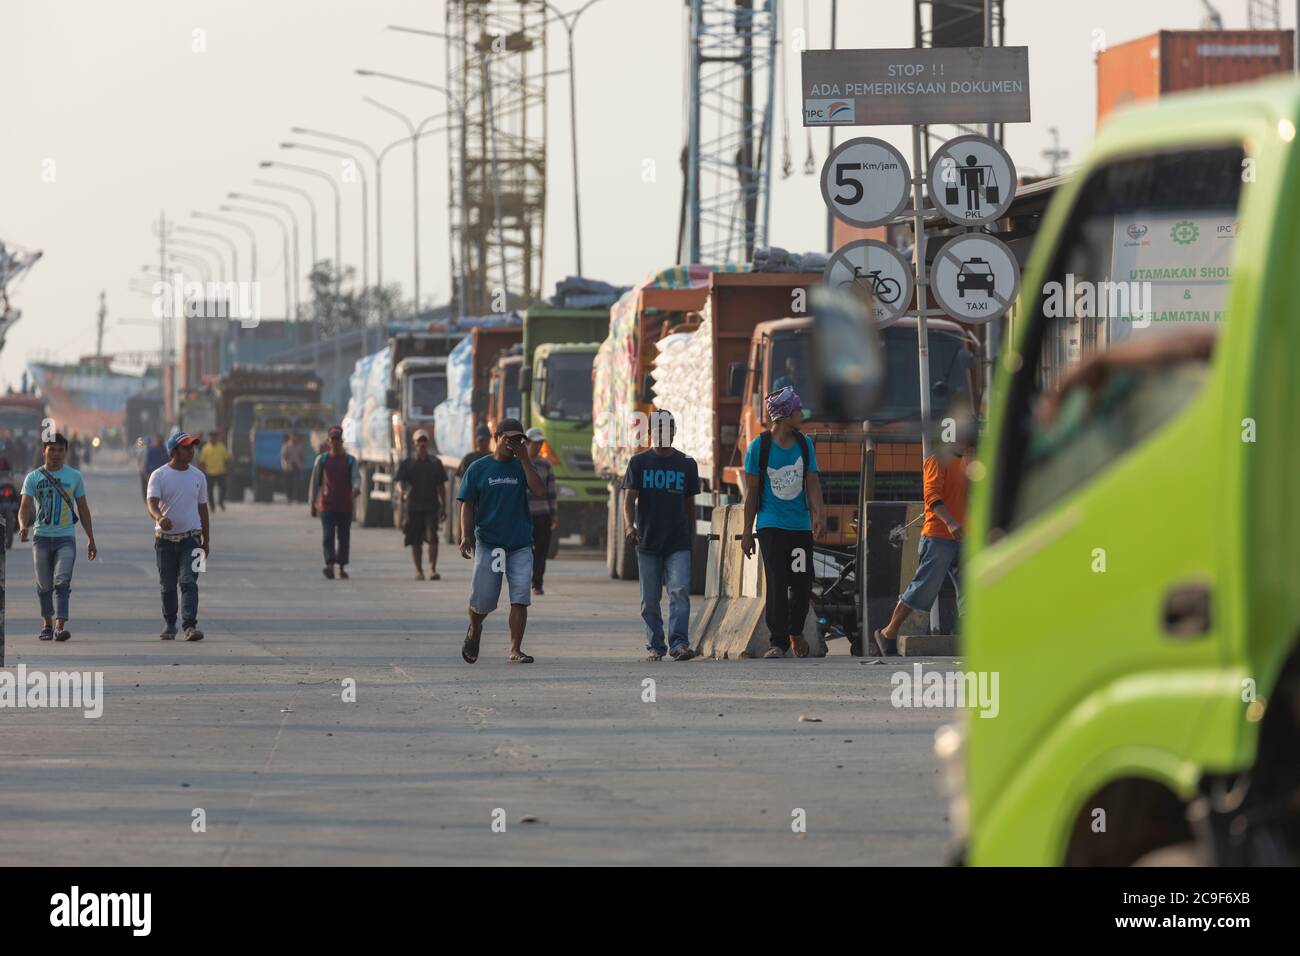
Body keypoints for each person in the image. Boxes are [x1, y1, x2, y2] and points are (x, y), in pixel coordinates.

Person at [740, 386, 825, 659]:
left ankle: (795, 631)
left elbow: (812, 482)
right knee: (777, 581)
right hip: (771, 526)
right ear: (785, 415)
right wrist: (746, 532)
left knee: (801, 582)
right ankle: (778, 641)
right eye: (798, 410)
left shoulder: (804, 444)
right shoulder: (759, 447)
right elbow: (752, 494)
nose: (802, 415)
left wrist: (818, 515)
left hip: (799, 527)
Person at [457, 417, 547, 665]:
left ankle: (514, 649)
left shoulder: (522, 466)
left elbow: (540, 491)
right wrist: (466, 535)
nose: (513, 443)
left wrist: (526, 459)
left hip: (519, 544)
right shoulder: (478, 468)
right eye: (509, 438)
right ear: (496, 438)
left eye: (519, 440)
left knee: (520, 597)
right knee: (483, 601)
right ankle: (475, 629)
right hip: (490, 543)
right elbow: (467, 504)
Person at [872, 438, 969, 657]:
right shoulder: (937, 460)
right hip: (939, 536)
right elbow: (932, 497)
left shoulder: (967, 462)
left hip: (965, 537)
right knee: (923, 587)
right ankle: (888, 632)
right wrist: (951, 522)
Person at [622, 411, 699, 661]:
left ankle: (679, 644)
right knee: (650, 600)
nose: (663, 434)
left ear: (674, 433)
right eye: (658, 430)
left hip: (678, 541)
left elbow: (690, 504)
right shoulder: (639, 463)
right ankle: (656, 645)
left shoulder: (687, 463)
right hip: (647, 542)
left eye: (668, 429)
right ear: (650, 434)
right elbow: (629, 499)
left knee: (679, 591)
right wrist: (628, 526)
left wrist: (692, 535)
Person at [18, 433, 98, 642]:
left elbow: (83, 508)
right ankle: (46, 623)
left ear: (66, 452)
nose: (56, 454)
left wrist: (91, 538)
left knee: (62, 581)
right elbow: (24, 507)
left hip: (65, 539)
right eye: (51, 449)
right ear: (43, 450)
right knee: (44, 585)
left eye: (60, 450)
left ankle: (59, 626)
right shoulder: (33, 477)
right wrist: (22, 526)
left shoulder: (74, 476)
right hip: (41, 538)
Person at [146, 432, 209, 641]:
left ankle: (190, 626)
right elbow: (152, 503)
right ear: (173, 451)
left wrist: (206, 542)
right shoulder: (159, 475)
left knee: (189, 581)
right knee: (167, 584)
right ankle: (170, 623)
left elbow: (203, 509)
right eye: (186, 447)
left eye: (192, 447)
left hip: (192, 540)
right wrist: (160, 517)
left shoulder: (199, 476)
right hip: (164, 541)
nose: (191, 451)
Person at [308, 426, 360, 580]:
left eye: (338, 439)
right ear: (329, 441)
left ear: (341, 441)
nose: (335, 442)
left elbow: (356, 478)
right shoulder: (322, 460)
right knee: (328, 536)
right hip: (327, 505)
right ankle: (330, 565)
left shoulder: (350, 460)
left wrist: (356, 488)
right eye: (332, 439)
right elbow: (315, 482)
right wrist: (312, 503)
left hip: (345, 505)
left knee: (344, 538)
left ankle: (342, 567)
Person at [395, 429, 447, 580]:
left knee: (433, 536)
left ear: (427, 443)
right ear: (414, 443)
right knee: (415, 539)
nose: (422, 444)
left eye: (424, 441)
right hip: (413, 507)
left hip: (431, 506)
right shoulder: (408, 463)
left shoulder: (435, 463)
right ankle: (419, 570)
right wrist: (402, 492)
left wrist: (443, 505)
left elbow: (441, 486)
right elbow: (400, 482)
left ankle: (432, 568)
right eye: (419, 441)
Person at [524, 427, 558, 595]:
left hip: (542, 514)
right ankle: (524, 580)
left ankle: (537, 583)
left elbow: (551, 491)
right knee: (524, 549)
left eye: (540, 443)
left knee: (542, 549)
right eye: (534, 443)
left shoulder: (546, 465)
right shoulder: (518, 463)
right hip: (523, 515)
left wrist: (553, 513)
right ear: (527, 443)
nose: (537, 446)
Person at [198, 431, 230, 511]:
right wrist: (202, 472)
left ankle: (221, 501)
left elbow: (226, 459)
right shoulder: (206, 448)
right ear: (209, 438)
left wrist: (228, 469)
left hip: (220, 472)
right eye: (211, 437)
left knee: (223, 488)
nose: (213, 438)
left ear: (217, 438)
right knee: (210, 491)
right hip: (209, 473)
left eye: (215, 437)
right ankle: (212, 506)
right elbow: (202, 461)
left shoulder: (221, 447)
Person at [141, 433, 168, 500]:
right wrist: (147, 474)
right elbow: (146, 465)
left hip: (162, 475)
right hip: (152, 474)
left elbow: (167, 461)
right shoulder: (151, 450)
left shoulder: (163, 449)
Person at [280, 431, 304, 504]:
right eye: (292, 437)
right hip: (289, 467)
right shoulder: (286, 446)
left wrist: (301, 464)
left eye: (295, 437)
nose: (294, 438)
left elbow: (302, 457)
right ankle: (289, 498)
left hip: (297, 466)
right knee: (289, 484)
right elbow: (283, 457)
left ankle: (298, 499)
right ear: (290, 437)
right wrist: (285, 465)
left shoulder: (300, 446)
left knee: (298, 483)